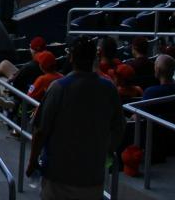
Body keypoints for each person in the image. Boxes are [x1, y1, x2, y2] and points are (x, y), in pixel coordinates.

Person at [27, 37, 124, 198]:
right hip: (93, 175)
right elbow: (119, 127)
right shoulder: (109, 88)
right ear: (95, 57)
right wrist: (104, 151)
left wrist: (32, 162)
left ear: (71, 57)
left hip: (58, 176)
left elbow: (40, 131)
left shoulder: (58, 88)